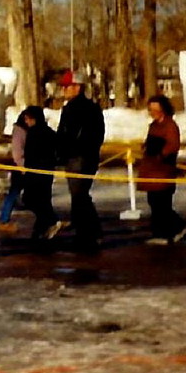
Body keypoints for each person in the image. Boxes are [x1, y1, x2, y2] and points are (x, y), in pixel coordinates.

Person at [55, 70, 106, 254]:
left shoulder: (76, 109)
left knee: (79, 195)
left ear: (77, 87)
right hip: (85, 156)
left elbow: (68, 134)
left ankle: (90, 232)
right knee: (80, 195)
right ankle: (85, 231)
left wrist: (65, 150)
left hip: (78, 157)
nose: (64, 90)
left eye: (67, 86)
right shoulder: (90, 107)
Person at [138, 93, 186, 245]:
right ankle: (160, 232)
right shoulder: (153, 126)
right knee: (154, 202)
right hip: (151, 169)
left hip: (162, 169)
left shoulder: (170, 126)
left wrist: (161, 155)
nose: (152, 113)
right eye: (150, 109)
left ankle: (169, 231)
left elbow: (173, 145)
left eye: (155, 109)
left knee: (162, 204)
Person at [20, 105, 62, 243]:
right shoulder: (49, 132)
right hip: (46, 171)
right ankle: (41, 230)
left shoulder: (34, 133)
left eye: (28, 119)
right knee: (43, 200)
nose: (26, 121)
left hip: (36, 171)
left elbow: (31, 153)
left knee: (31, 199)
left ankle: (51, 221)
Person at [0, 111, 29, 234]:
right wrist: (22, 167)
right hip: (20, 167)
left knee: (15, 193)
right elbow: (17, 152)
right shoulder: (20, 131)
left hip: (22, 166)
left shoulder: (21, 130)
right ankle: (4, 221)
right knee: (14, 193)